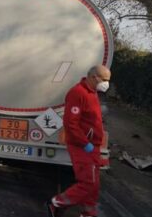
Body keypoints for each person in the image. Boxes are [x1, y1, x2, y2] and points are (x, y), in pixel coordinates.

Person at [47, 65, 111, 217]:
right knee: (87, 182)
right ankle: (57, 203)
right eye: (105, 79)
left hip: (92, 145)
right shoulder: (78, 93)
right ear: (94, 77)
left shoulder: (92, 92)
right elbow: (70, 124)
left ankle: (88, 212)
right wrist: (85, 143)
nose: (107, 83)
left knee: (94, 184)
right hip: (82, 146)